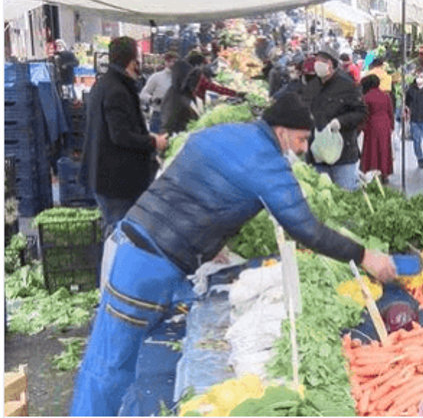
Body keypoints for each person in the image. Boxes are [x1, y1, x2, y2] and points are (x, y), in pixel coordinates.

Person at [69, 93, 397, 416]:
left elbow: (190, 181)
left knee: (111, 359)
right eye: (301, 139)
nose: (302, 148)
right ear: (281, 131)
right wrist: (365, 255)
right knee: (109, 365)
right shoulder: (267, 163)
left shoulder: (224, 133)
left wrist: (211, 239)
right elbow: (306, 230)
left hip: (135, 245)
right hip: (148, 263)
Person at [82, 37, 169, 239]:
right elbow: (120, 136)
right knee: (119, 235)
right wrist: (153, 142)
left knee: (116, 231)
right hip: (115, 182)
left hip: (105, 177)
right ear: (132, 61)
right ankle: (111, 270)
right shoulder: (117, 90)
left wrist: (148, 136)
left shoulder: (104, 84)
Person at [300, 45, 367, 191]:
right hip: (317, 155)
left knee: (346, 197)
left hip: (343, 155)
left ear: (333, 64)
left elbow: (361, 113)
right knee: (322, 199)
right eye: (317, 60)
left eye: (323, 60)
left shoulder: (347, 85)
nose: (318, 64)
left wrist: (341, 122)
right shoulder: (311, 86)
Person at [359, 75, 394, 182]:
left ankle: (371, 171)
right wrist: (392, 126)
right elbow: (390, 111)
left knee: (372, 149)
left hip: (372, 125)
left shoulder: (366, 97)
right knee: (384, 149)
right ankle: (385, 173)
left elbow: (364, 114)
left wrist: (361, 127)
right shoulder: (385, 96)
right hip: (385, 124)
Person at [139, 51, 178, 133]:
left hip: (175, 116)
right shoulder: (156, 77)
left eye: (175, 61)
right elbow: (143, 94)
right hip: (158, 115)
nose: (173, 64)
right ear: (166, 62)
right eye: (171, 61)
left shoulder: (180, 79)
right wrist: (152, 99)